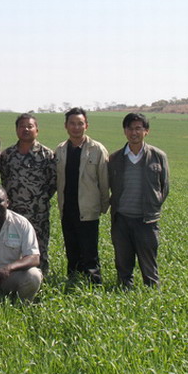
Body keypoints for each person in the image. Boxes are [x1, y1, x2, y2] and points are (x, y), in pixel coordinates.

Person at [108, 113, 170, 288]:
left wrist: (153, 205)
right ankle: (124, 292)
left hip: (146, 221)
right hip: (121, 220)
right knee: (123, 263)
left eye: (138, 128)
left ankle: (152, 294)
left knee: (149, 264)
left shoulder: (158, 156)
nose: (134, 132)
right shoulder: (115, 158)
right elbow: (109, 184)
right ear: (124, 131)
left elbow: (165, 187)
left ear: (146, 131)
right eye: (130, 128)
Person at [55, 107, 109, 284]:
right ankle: (73, 283)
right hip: (67, 209)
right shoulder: (61, 150)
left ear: (86, 125)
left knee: (89, 252)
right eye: (72, 123)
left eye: (80, 123)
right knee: (72, 251)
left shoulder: (97, 149)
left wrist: (103, 206)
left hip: (88, 209)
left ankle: (94, 284)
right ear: (65, 126)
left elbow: (104, 181)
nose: (76, 127)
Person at [0, 113, 56, 275]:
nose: (26, 129)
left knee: (39, 248)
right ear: (16, 130)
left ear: (37, 130)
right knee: (13, 247)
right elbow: (5, 180)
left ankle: (40, 279)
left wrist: (38, 200)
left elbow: (52, 183)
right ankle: (13, 278)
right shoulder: (7, 155)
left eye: (30, 126)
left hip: (38, 213)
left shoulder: (47, 155)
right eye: (22, 126)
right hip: (14, 213)